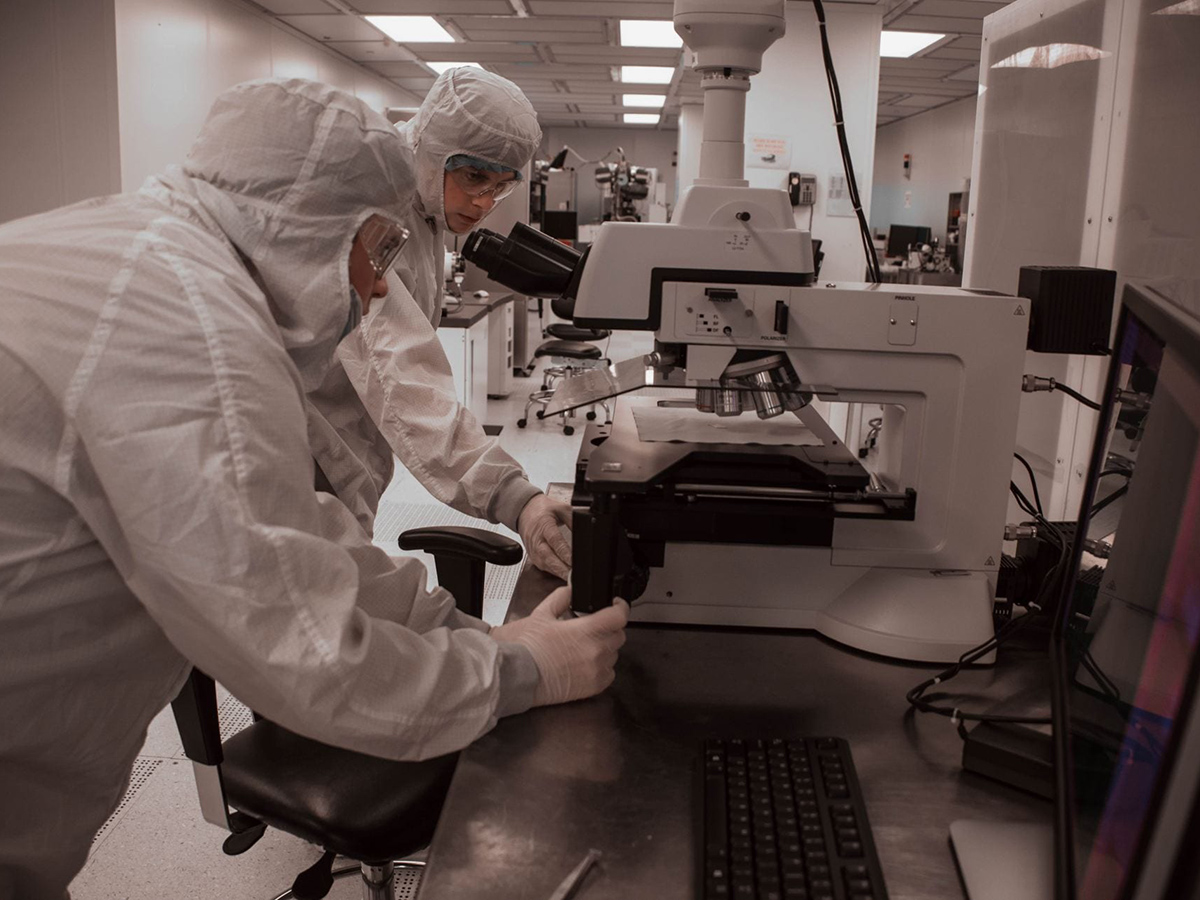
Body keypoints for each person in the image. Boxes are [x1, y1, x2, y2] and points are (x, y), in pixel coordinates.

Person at [0, 78, 628, 900]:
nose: (375, 291)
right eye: (375, 255)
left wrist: (475, 637)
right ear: (307, 228)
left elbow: (294, 537)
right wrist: (523, 675)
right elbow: (312, 649)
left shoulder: (155, 252)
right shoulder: (197, 338)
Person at [309, 67, 576, 580]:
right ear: (429, 149)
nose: (483, 202)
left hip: (349, 454)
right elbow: (403, 379)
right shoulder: (378, 212)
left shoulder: (425, 209)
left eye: (500, 186)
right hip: (309, 456)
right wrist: (515, 498)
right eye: (474, 176)